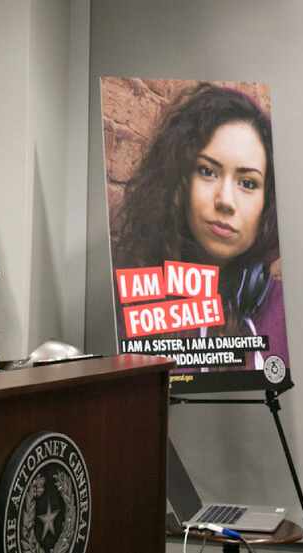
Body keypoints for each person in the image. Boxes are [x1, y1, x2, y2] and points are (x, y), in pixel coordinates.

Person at [113, 82, 288, 368]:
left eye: (247, 183)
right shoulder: (131, 308)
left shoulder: (287, 313)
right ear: (179, 181)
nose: (225, 201)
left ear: (267, 201)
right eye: (207, 171)